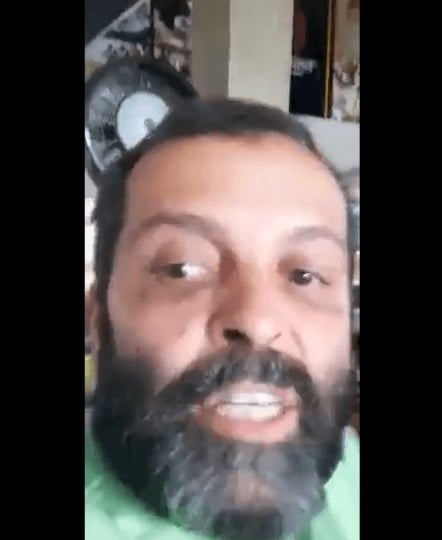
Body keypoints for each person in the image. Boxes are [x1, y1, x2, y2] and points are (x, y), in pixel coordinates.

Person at [85, 98, 359, 540]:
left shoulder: (350, 473)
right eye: (181, 269)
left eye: (304, 275)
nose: (256, 319)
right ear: (98, 321)